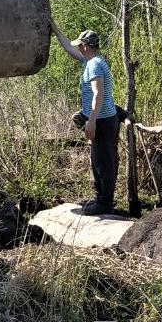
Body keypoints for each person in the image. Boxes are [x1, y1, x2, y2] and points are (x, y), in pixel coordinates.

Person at [52, 22, 119, 215]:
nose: (78, 48)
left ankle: (105, 203)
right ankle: (101, 198)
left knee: (102, 162)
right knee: (97, 159)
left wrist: (91, 121)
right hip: (100, 118)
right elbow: (67, 47)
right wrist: (54, 28)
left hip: (102, 120)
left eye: (81, 45)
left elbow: (98, 94)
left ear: (86, 46)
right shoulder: (89, 61)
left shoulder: (95, 65)